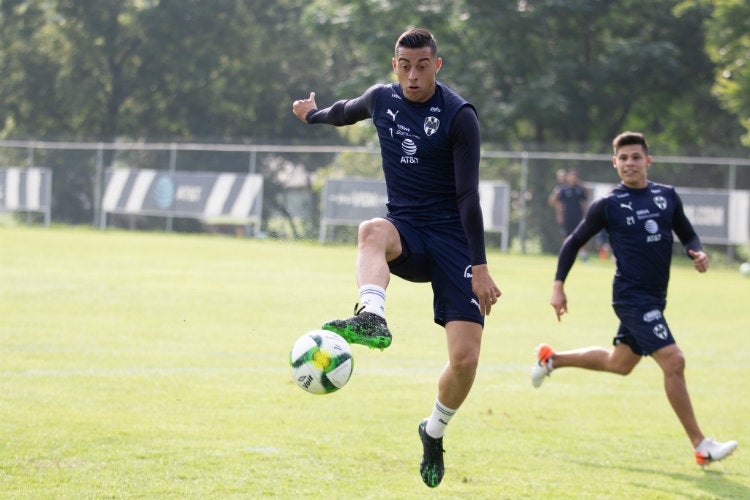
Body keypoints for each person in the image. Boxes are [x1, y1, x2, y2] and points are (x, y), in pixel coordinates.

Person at [293, 28, 501, 488]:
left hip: (453, 243)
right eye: (404, 66)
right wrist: (312, 116)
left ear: (437, 65)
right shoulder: (382, 99)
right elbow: (344, 112)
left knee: (465, 361)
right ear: (394, 65)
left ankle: (433, 431)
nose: (412, 76)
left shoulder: (459, 115)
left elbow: (468, 195)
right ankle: (372, 316)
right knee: (370, 230)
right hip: (406, 231)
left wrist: (481, 267)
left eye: (422, 66)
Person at [532, 131, 738, 466]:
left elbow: (688, 234)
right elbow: (573, 242)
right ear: (615, 163)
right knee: (675, 361)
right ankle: (701, 445)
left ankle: (551, 358)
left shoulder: (667, 196)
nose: (630, 163)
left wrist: (696, 251)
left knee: (621, 364)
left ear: (648, 160)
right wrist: (558, 285)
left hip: (655, 298)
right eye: (623, 158)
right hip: (631, 298)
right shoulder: (608, 205)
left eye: (636, 157)